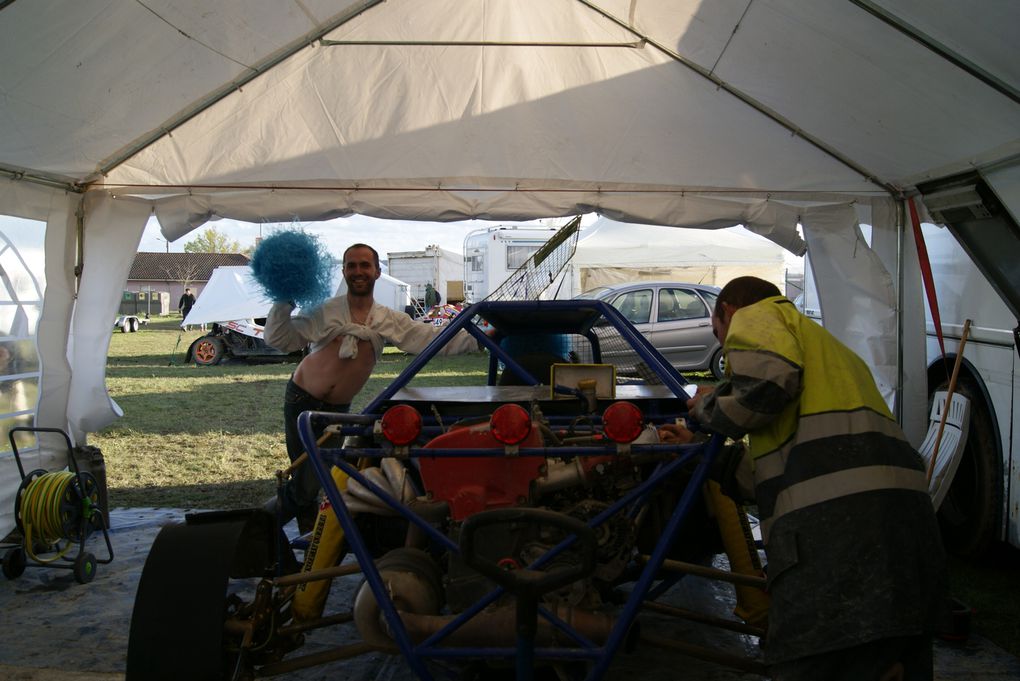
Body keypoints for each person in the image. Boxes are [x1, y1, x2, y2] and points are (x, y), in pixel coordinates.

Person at [686, 276, 946, 681]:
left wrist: (704, 409)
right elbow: (774, 477)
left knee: (808, 661)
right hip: (910, 541)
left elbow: (766, 389)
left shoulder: (759, 316)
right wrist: (709, 456)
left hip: (838, 544)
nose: (727, 345)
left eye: (720, 332)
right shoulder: (833, 355)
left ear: (729, 312)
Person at [264, 243, 481, 532]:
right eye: (351, 266)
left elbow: (429, 338)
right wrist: (283, 300)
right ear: (344, 271)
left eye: (365, 265)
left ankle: (295, 553)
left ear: (377, 272)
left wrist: (479, 337)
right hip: (302, 402)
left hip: (335, 412)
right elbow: (280, 338)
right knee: (307, 483)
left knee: (313, 479)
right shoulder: (325, 312)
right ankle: (257, 529)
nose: (358, 271)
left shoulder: (386, 319)